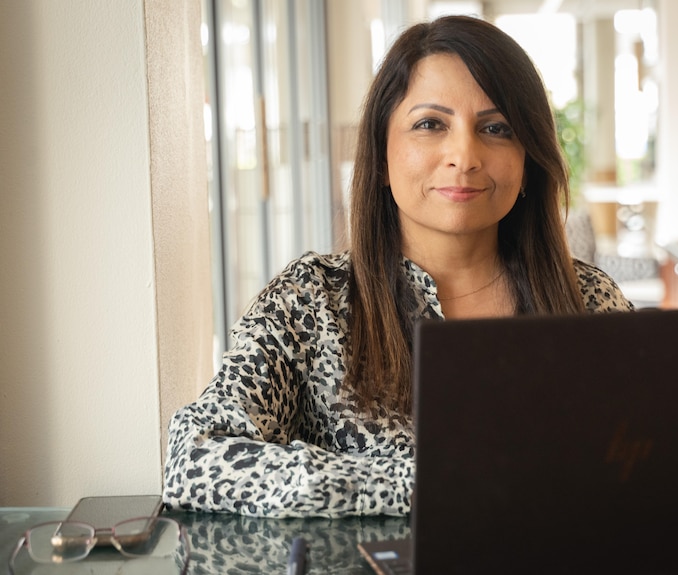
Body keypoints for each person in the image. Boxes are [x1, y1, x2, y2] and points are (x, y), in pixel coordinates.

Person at [162, 14, 634, 519]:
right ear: (382, 157)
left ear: (527, 164)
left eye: (496, 128)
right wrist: (427, 482)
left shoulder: (588, 299)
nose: (464, 155)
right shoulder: (309, 304)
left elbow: (662, 454)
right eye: (431, 124)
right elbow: (194, 457)